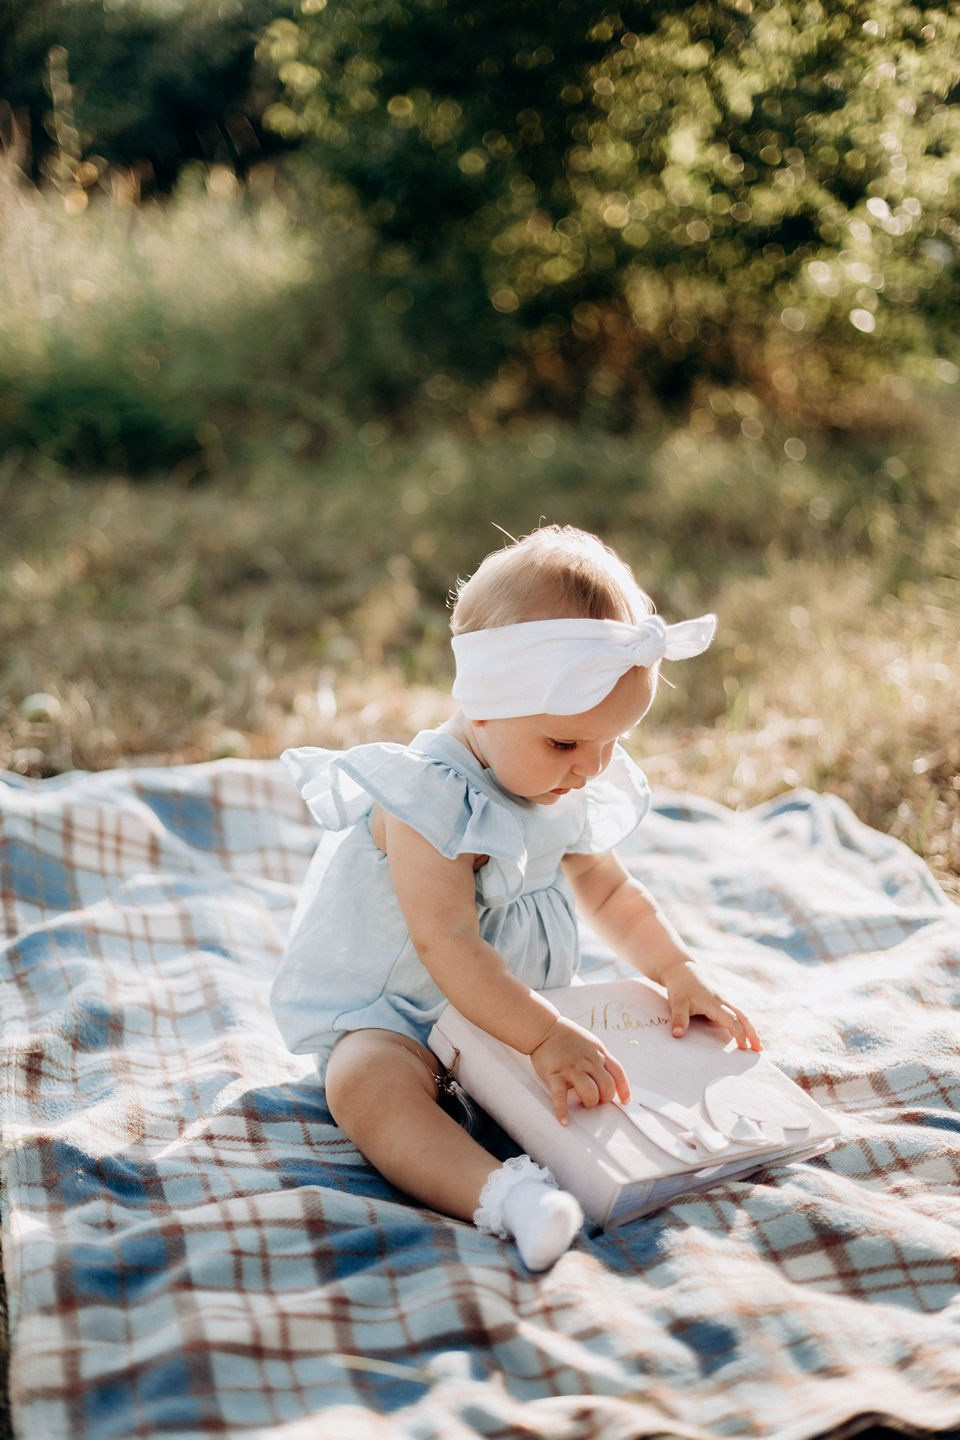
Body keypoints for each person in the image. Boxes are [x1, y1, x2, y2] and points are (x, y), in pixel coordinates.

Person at [272, 525, 761, 1271]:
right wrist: (543, 1035)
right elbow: (447, 943)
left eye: (612, 742)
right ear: (484, 704)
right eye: (566, 744)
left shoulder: (563, 782)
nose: (590, 769)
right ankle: (508, 1197)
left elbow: (612, 892)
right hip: (406, 1019)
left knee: (611, 1073)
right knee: (364, 1084)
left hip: (519, 1022)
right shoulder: (429, 797)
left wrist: (676, 969)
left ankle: (632, 1156)